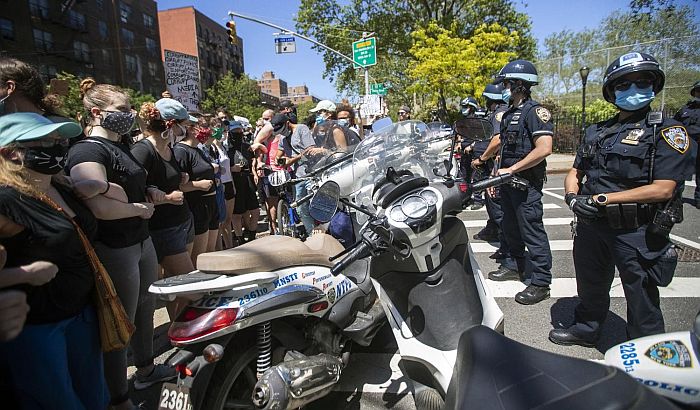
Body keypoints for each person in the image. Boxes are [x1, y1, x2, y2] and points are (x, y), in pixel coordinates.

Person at [550, 52, 696, 346]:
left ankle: (648, 352)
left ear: (653, 86)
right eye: (623, 84)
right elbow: (575, 172)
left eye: (641, 82)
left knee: (641, 296)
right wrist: (571, 197)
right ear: (611, 91)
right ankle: (587, 329)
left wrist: (603, 199)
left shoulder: (667, 131)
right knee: (590, 285)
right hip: (591, 225)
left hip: (635, 230)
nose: (632, 90)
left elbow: (664, 188)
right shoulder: (598, 131)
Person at [65, 79, 175, 408]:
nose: (128, 115)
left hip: (140, 241)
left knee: (144, 309)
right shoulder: (87, 149)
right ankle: (118, 396)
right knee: (119, 322)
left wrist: (148, 194)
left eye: (129, 109)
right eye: (121, 109)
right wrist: (134, 207)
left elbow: (128, 185)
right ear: (97, 112)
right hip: (116, 247)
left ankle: (146, 369)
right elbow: (91, 193)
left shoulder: (121, 146)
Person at [0, 112, 108, 408]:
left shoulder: (61, 186)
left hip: (81, 314)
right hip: (37, 326)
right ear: (11, 152)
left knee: (95, 397)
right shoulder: (5, 198)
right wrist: (23, 273)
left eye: (59, 139)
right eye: (45, 141)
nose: (58, 146)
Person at [478, 59, 554, 305]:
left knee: (532, 231)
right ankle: (514, 264)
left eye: (509, 83)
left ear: (521, 84)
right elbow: (502, 146)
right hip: (508, 181)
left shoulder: (535, 112)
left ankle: (541, 282)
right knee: (510, 226)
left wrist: (513, 169)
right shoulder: (510, 112)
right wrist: (496, 174)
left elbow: (544, 149)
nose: (506, 88)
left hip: (526, 183)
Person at [130, 101, 195, 317]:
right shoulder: (142, 151)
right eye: (182, 125)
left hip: (182, 222)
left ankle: (177, 327)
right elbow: (134, 193)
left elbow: (166, 178)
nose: (184, 131)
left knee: (177, 285)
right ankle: (186, 331)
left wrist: (181, 177)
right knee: (191, 286)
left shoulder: (169, 148)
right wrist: (166, 198)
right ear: (170, 125)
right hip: (163, 229)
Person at [174, 117, 217, 263]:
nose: (208, 130)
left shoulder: (197, 149)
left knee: (210, 253)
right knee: (199, 258)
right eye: (204, 126)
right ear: (191, 129)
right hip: (197, 205)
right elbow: (177, 185)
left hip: (210, 204)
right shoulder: (181, 151)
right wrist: (197, 185)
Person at [472, 83, 509, 247]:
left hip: (496, 164)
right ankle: (495, 231)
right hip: (494, 164)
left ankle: (506, 246)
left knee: (496, 203)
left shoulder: (499, 114)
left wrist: (482, 158)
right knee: (492, 201)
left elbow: (497, 140)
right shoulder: (496, 112)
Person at [228, 121, 260, 244]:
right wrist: (232, 169)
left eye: (239, 132)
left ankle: (251, 235)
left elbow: (254, 160)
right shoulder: (226, 149)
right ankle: (240, 238)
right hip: (235, 181)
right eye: (235, 132)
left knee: (255, 211)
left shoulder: (247, 147)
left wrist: (256, 171)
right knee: (236, 214)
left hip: (248, 179)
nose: (238, 134)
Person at [673, 80, 700, 208]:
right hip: (688, 144)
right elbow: (674, 124)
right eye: (698, 91)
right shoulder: (685, 109)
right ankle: (675, 198)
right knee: (680, 172)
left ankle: (699, 199)